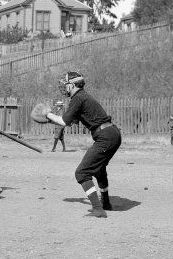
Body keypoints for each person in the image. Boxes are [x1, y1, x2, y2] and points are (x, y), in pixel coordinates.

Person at [44, 71, 121, 218]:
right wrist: (50, 119)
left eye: (66, 84)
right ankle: (105, 203)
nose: (64, 87)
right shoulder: (83, 97)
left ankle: (98, 209)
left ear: (72, 85)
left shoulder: (78, 98)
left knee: (82, 173)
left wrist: (47, 114)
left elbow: (64, 121)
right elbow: (70, 122)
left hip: (105, 136)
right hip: (112, 134)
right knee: (98, 169)